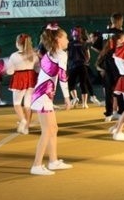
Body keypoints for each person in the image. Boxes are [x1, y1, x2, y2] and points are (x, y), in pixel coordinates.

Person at [29, 24, 74, 176]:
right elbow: (62, 77)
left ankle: (53, 161)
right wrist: (67, 98)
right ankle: (36, 165)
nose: (68, 40)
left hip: (44, 95)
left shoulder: (51, 53)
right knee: (47, 131)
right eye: (66, 37)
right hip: (43, 95)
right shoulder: (60, 54)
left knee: (53, 129)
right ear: (58, 39)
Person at [6, 34, 39, 134]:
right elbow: (38, 68)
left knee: (17, 103)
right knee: (28, 104)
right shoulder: (34, 54)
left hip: (19, 78)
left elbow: (10, 71)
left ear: (17, 43)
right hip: (31, 78)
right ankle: (26, 128)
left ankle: (23, 120)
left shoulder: (14, 56)